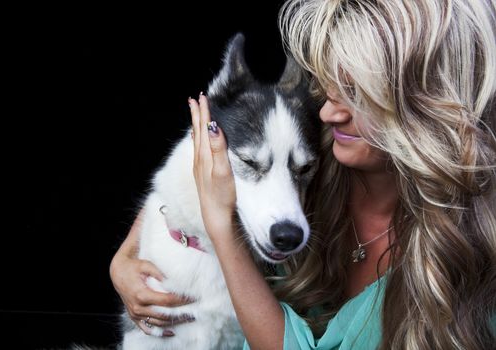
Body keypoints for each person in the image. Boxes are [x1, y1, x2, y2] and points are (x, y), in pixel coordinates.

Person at [110, 0, 496, 348]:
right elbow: (199, 172)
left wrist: (221, 230)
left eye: (360, 93)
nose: (329, 113)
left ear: (429, 100)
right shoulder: (326, 147)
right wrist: (125, 258)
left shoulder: (474, 241)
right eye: (330, 90)